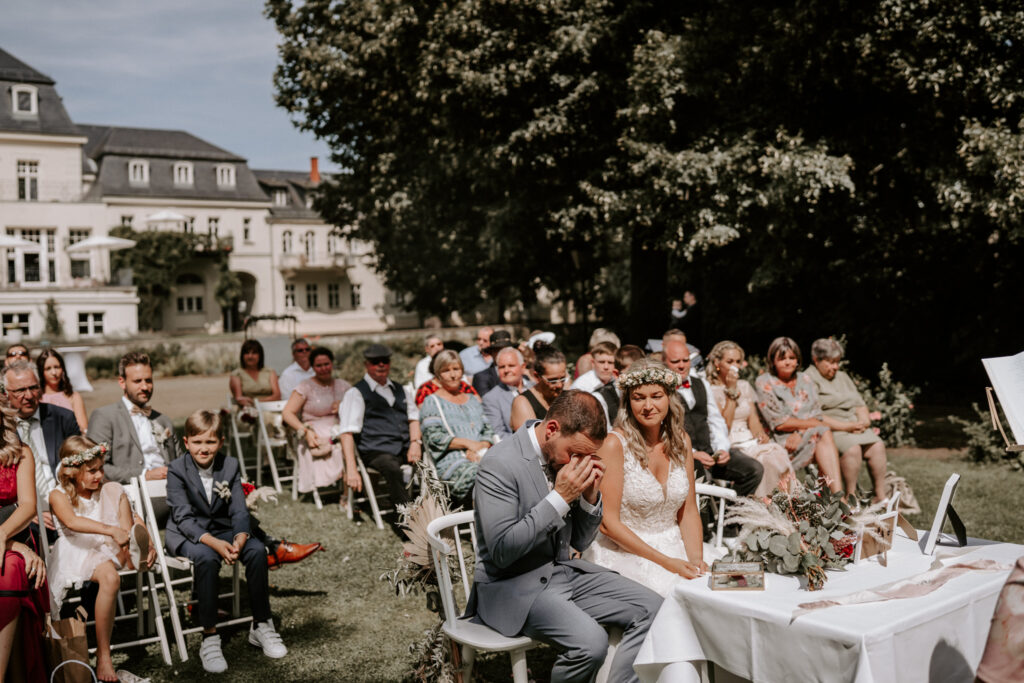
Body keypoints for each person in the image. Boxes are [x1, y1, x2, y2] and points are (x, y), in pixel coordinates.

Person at [471, 390, 663, 683]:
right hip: (512, 585)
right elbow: (501, 550)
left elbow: (579, 543)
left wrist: (589, 495)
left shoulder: (568, 455)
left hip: (563, 573)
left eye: (589, 455)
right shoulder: (500, 463)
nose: (580, 462)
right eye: (575, 454)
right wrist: (560, 498)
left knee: (655, 608)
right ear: (551, 430)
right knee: (591, 644)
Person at [90, 353, 319, 569]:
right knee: (210, 502)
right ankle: (270, 548)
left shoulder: (164, 420)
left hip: (174, 490)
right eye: (137, 381)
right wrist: (144, 476)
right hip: (135, 495)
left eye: (148, 380)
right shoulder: (105, 416)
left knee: (221, 494)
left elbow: (184, 461)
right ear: (122, 382)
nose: (145, 386)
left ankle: (257, 550)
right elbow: (99, 468)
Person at [166, 410, 287, 674]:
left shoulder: (229, 465)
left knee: (256, 550)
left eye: (210, 442)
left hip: (223, 529)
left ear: (221, 442)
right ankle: (209, 636)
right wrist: (216, 544)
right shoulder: (177, 470)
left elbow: (240, 511)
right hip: (189, 534)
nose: (204, 448)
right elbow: (183, 518)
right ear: (186, 442)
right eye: (197, 442)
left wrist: (241, 538)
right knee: (207, 558)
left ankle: (262, 624)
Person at [587, 360, 709, 599]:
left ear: (670, 398)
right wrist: (666, 562)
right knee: (666, 600)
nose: (648, 406)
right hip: (628, 554)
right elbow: (607, 524)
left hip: (676, 546)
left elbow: (689, 511)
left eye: (656, 396)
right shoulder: (614, 445)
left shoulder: (681, 440)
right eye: (639, 398)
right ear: (628, 402)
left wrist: (696, 559)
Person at [48, 436, 154, 682]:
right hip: (76, 549)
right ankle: (104, 656)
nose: (98, 475)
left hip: (110, 546)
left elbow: (124, 525)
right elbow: (73, 522)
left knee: (115, 490)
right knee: (109, 576)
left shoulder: (106, 489)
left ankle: (136, 549)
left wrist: (140, 536)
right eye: (92, 471)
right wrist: (111, 530)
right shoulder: (58, 494)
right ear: (73, 471)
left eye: (101, 468)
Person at [662, 339, 764, 497]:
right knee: (701, 476)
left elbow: (715, 420)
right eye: (675, 361)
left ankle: (731, 516)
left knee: (754, 469)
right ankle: (705, 520)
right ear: (664, 362)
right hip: (684, 456)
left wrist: (721, 448)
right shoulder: (661, 390)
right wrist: (692, 453)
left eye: (685, 360)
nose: (682, 365)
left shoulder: (701, 384)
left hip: (711, 451)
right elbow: (663, 430)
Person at [754, 337, 844, 495]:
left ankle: (838, 497)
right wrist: (804, 427)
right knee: (822, 431)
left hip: (804, 435)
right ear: (773, 361)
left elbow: (818, 415)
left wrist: (799, 432)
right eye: (782, 358)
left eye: (792, 358)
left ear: (798, 360)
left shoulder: (805, 379)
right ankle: (829, 500)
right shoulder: (764, 382)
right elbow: (779, 423)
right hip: (780, 441)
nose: (788, 362)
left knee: (824, 432)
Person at [339, 344, 422, 510]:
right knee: (392, 469)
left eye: (385, 361)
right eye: (375, 362)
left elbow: (413, 419)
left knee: (434, 456)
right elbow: (346, 433)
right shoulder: (356, 393)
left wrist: (415, 443)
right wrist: (351, 469)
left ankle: (441, 512)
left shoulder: (400, 389)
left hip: (405, 447)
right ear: (366, 365)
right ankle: (408, 522)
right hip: (376, 451)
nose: (381, 365)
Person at [0, 392, 48, 683]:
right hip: (11, 542)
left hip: (9, 532)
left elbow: (28, 505)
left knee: (13, 569)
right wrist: (14, 544)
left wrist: (4, 534)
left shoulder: (20, 452)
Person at [706, 341, 794, 497]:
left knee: (777, 454)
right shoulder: (710, 390)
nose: (735, 366)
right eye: (730, 361)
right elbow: (723, 425)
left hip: (749, 440)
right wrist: (731, 392)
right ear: (717, 363)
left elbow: (753, 420)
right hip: (730, 443)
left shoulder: (745, 386)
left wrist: (760, 435)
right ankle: (761, 507)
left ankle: (788, 503)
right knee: (766, 462)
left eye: (738, 362)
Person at [806, 338, 889, 502]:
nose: (835, 367)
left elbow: (859, 404)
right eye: (830, 362)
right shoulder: (808, 379)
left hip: (854, 426)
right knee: (853, 449)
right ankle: (850, 499)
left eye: (837, 362)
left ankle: (881, 497)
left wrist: (864, 421)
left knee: (877, 446)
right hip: (832, 429)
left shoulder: (842, 377)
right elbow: (815, 415)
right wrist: (847, 427)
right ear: (816, 360)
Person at [4, 359, 80, 535]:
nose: (29, 396)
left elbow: (82, 464)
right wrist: (27, 512)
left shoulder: (64, 418)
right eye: (20, 390)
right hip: (24, 513)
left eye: (33, 388)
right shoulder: (3, 428)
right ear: (6, 394)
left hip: (68, 503)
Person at [420, 350, 497, 503]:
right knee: (487, 474)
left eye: (456, 369)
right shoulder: (432, 402)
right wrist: (468, 444)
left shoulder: (472, 399)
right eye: (446, 370)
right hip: (453, 461)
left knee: (510, 470)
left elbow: (488, 429)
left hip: (482, 455)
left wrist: (480, 447)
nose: (453, 375)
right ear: (438, 374)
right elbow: (435, 438)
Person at [281, 347, 351, 497]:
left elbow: (357, 409)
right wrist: (304, 430)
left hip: (341, 428)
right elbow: (287, 413)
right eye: (319, 366)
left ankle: (349, 490)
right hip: (315, 433)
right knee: (342, 444)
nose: (323, 368)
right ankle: (346, 492)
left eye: (327, 364)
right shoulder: (305, 386)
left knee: (350, 440)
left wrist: (343, 406)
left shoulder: (343, 385)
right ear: (313, 367)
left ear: (332, 364)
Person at [509, 346, 568, 432]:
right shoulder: (523, 402)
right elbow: (530, 441)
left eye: (563, 379)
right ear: (537, 377)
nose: (559, 385)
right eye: (552, 380)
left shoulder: (567, 398)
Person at [481, 347, 533, 437]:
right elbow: (497, 433)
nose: (506, 370)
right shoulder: (491, 398)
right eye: (502, 367)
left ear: (523, 367)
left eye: (511, 366)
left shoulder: (536, 387)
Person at [36, 348, 88, 432]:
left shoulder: (73, 396)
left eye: (57, 367)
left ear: (62, 369)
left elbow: (83, 429)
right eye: (48, 368)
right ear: (41, 372)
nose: (54, 373)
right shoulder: (37, 398)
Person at [594, 345, 646, 427]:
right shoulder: (601, 397)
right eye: (632, 377)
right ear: (616, 374)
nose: (638, 382)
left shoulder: (647, 396)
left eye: (642, 376)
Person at [229, 339, 282, 406]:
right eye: (247, 353)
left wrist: (256, 402)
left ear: (260, 355)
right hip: (248, 411)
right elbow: (240, 399)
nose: (250, 356)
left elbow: (277, 396)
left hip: (270, 408)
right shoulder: (236, 374)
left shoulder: (269, 372)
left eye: (254, 353)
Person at [471, 330, 515, 397]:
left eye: (508, 350)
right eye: (499, 350)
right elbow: (488, 402)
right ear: (492, 353)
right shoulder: (482, 377)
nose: (504, 354)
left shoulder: (522, 374)